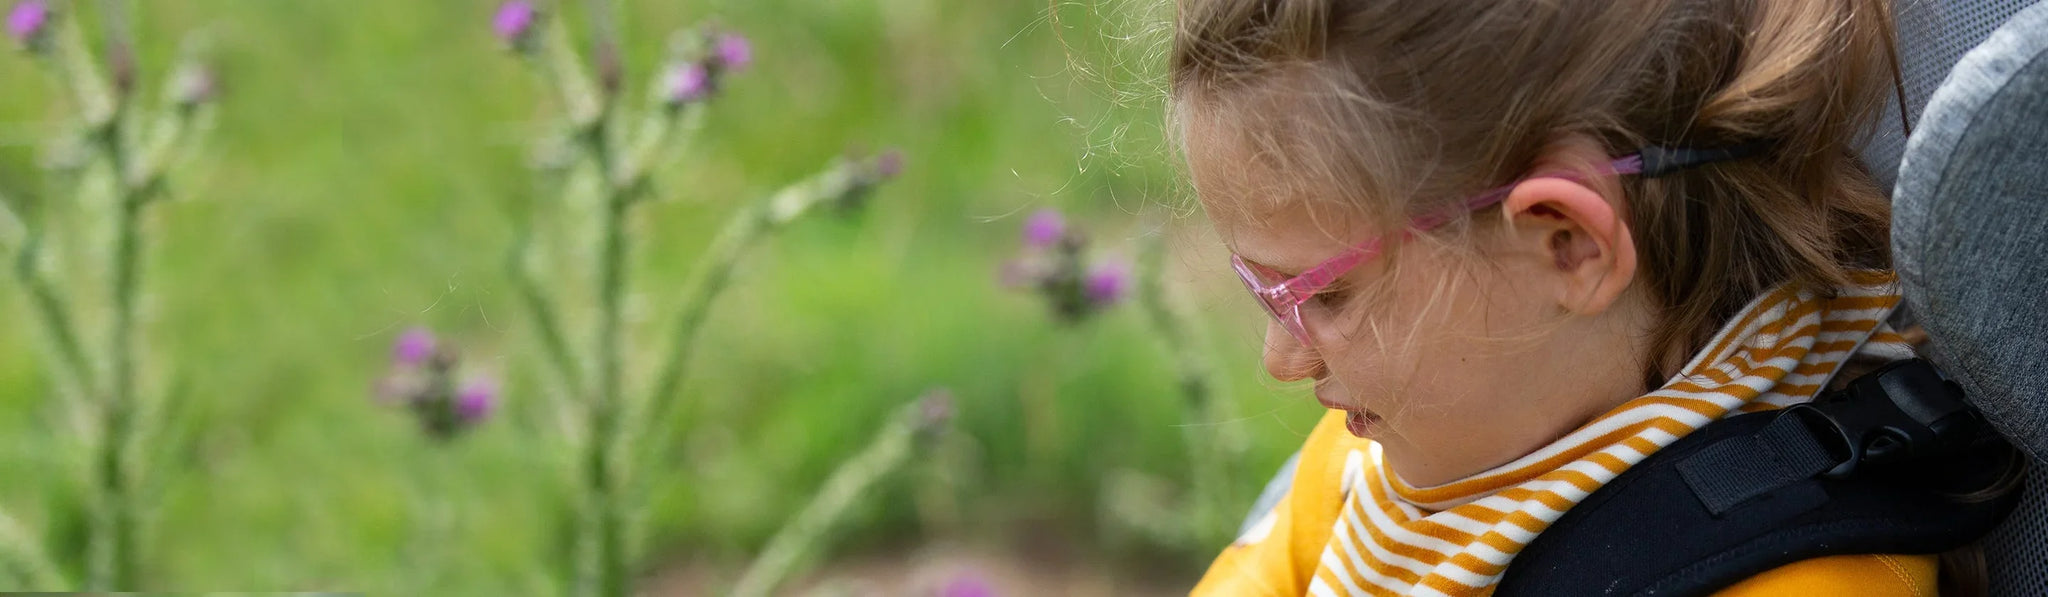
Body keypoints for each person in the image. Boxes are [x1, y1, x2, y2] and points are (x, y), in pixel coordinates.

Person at [1168, 0, 1948, 594]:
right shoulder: (1399, 458)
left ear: (1568, 243)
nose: (1281, 358)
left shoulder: (1804, 574)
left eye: (1327, 293)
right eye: (1263, 291)